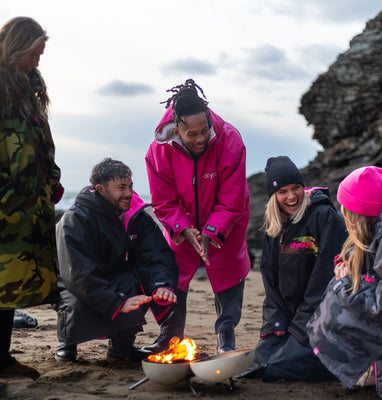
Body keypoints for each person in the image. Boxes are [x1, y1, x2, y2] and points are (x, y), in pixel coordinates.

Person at [145, 79, 250, 353]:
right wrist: (184, 228)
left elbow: (232, 196)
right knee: (174, 273)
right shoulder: (159, 151)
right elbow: (163, 200)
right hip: (182, 223)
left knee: (229, 271)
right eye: (192, 134)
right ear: (177, 129)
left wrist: (213, 231)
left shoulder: (229, 138)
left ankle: (226, 334)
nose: (201, 138)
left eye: (205, 130)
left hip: (227, 220)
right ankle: (170, 333)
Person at [55, 158, 178, 362]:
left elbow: (156, 255)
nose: (129, 193)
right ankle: (67, 344)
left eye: (130, 186)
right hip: (74, 281)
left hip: (117, 276)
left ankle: (122, 346)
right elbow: (77, 273)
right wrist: (116, 302)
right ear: (100, 189)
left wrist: (161, 285)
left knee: (137, 290)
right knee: (75, 301)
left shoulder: (137, 217)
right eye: (121, 187)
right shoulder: (75, 219)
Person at [242, 156, 347, 381]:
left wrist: (298, 328)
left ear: (304, 187)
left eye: (296, 188)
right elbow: (270, 282)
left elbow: (325, 281)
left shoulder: (325, 217)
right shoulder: (275, 226)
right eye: (283, 192)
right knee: (254, 364)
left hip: (322, 318)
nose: (291, 197)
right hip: (290, 317)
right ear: (273, 196)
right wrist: (277, 323)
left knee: (279, 368)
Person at [0, 17, 63, 380]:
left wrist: (52, 180)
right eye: (36, 49)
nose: (40, 56)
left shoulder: (31, 91)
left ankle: (2, 359)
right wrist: (6, 195)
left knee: (9, 288)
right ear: (19, 45)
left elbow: (44, 143)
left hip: (30, 205)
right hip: (6, 207)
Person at [307, 166, 382, 400]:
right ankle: (370, 368)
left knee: (338, 296)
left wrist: (346, 285)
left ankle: (370, 367)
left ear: (355, 213)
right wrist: (348, 263)